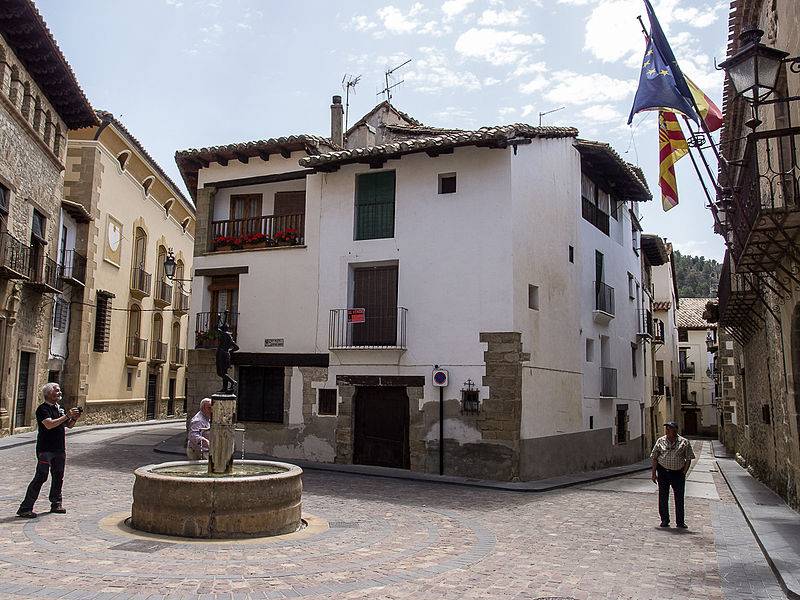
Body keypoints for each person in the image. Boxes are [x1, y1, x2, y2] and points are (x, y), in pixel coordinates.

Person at [17, 383, 82, 518]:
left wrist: (74, 418)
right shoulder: (42, 409)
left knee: (58, 477)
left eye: (59, 390)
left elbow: (68, 426)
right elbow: (49, 424)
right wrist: (66, 416)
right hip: (45, 449)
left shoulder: (60, 409)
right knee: (41, 477)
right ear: (48, 394)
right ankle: (25, 507)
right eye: (56, 391)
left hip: (59, 449)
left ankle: (56, 504)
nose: (59, 392)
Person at [650, 421, 696, 529]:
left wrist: (684, 472)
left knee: (679, 498)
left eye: (669, 429)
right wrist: (653, 474)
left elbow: (689, 458)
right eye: (666, 429)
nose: (667, 431)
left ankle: (680, 522)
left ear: (675, 430)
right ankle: (664, 520)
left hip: (678, 473)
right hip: (663, 472)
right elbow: (655, 457)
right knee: (663, 497)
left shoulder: (684, 442)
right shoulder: (660, 441)